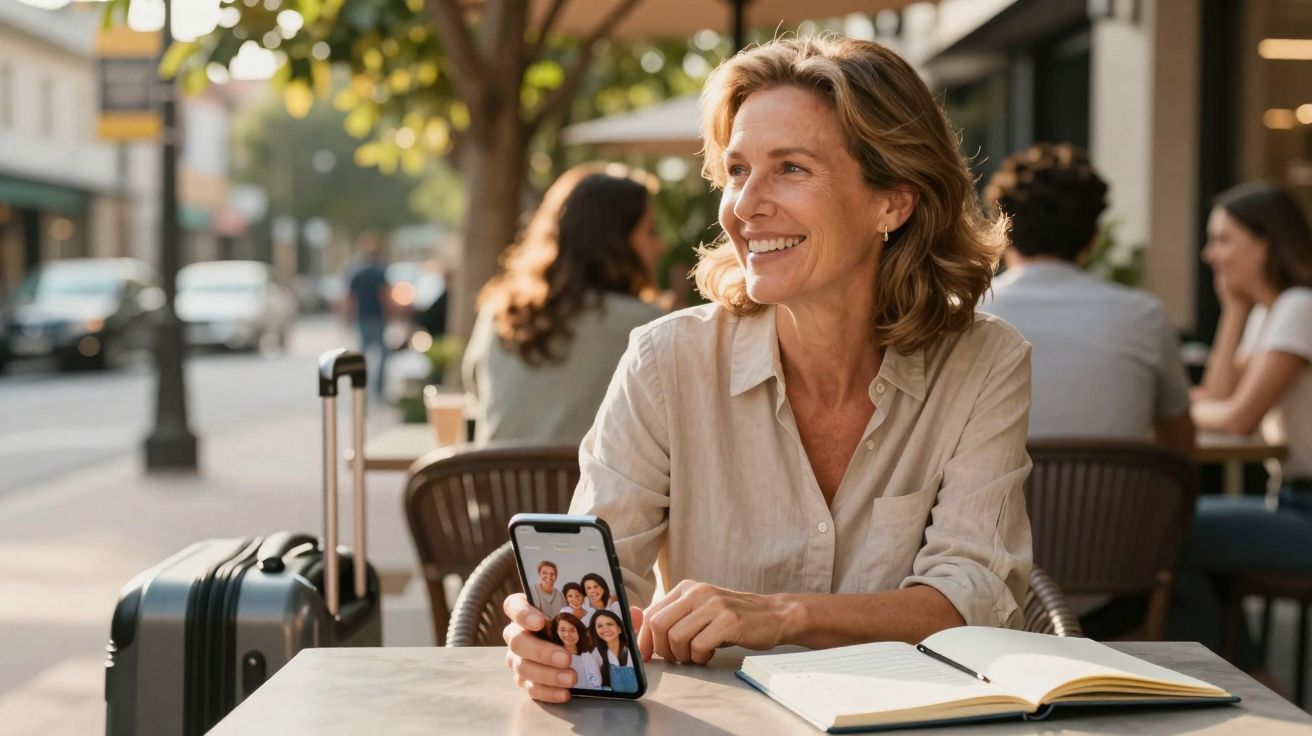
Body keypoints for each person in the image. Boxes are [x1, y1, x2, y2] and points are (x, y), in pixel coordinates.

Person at [502, 36, 1033, 704]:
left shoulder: (985, 362)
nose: (745, 206)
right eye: (737, 171)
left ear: (893, 203)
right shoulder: (666, 362)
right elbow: (603, 592)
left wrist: (784, 614)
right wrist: (555, 645)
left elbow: (973, 599)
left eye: (790, 169)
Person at [1171, 182, 1312, 667]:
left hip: (1306, 513)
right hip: (1290, 502)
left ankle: (1246, 676)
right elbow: (1219, 396)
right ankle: (1250, 670)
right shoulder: (1270, 312)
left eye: (1224, 239)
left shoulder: (1300, 307)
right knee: (1177, 527)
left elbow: (1236, 418)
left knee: (1165, 532)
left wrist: (1164, 412)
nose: (1210, 254)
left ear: (1266, 242)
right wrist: (1233, 309)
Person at [981, 144, 1195, 459]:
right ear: (1094, 237)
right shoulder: (1143, 315)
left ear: (1002, 232)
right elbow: (1180, 447)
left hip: (991, 507)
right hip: (1120, 508)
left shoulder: (964, 312)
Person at [462, 163, 667, 444]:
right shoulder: (647, 328)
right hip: (591, 487)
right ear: (614, 241)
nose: (661, 245)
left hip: (496, 485)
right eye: (650, 231)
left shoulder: (500, 313)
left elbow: (476, 394)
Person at [342, 231, 392, 397]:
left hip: (362, 318)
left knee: (363, 356)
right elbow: (385, 296)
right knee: (383, 354)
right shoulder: (379, 272)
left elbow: (349, 298)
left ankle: (361, 386)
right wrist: (390, 315)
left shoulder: (356, 271)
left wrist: (347, 318)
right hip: (377, 318)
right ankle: (377, 387)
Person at [549, 612, 605, 690]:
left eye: (572, 630)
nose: (567, 634)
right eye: (563, 630)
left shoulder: (589, 656)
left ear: (578, 632)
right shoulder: (555, 659)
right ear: (556, 632)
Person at [589, 610, 639, 693]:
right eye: (599, 626)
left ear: (619, 628)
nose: (605, 629)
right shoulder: (596, 654)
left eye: (609, 624)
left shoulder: (631, 649)